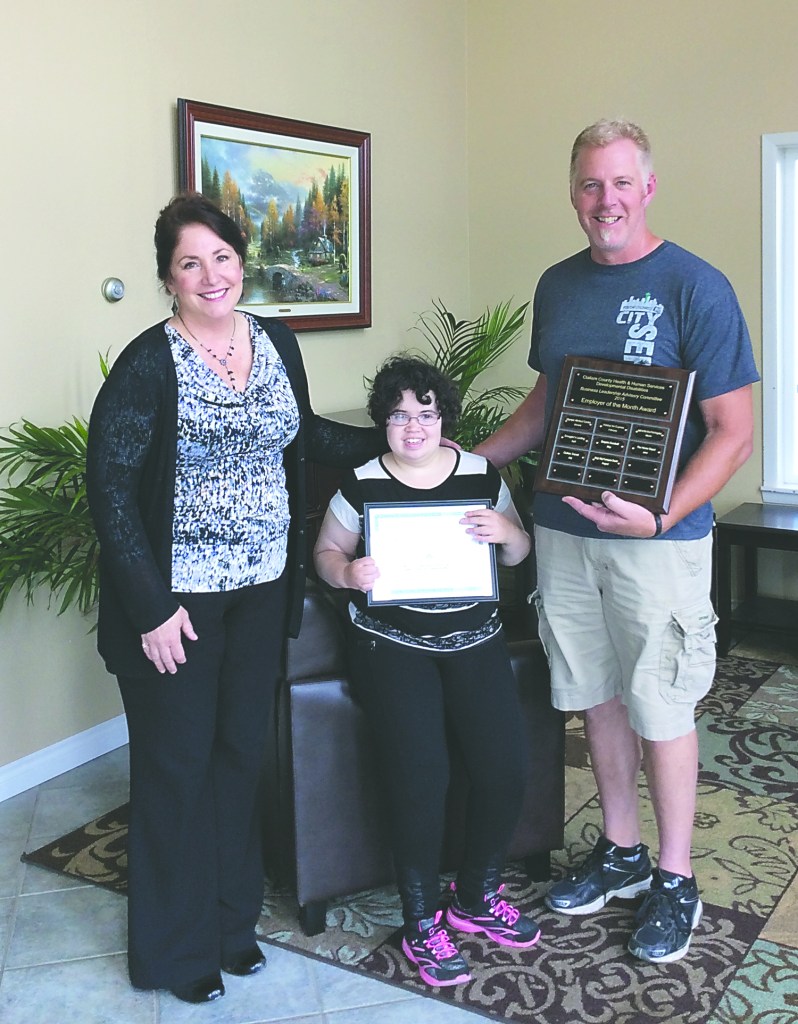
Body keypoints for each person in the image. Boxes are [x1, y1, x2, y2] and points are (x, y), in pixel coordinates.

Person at [86, 193, 384, 1004]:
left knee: (238, 758)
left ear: (242, 262)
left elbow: (304, 435)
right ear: (168, 278)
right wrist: (151, 608)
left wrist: (393, 439)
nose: (210, 275)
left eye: (221, 257)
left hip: (261, 591)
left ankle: (230, 925)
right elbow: (110, 492)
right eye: (190, 263)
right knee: (176, 770)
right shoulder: (149, 364)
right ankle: (174, 951)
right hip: (177, 605)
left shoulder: (274, 340)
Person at [475, 119, 758, 964]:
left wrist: (662, 515)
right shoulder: (558, 285)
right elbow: (546, 402)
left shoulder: (695, 286)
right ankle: (623, 851)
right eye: (591, 184)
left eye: (621, 183)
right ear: (573, 192)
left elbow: (733, 432)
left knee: (661, 707)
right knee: (595, 697)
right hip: (563, 534)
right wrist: (467, 462)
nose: (606, 200)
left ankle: (675, 876)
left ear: (649, 188)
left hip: (656, 544)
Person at [313, 355, 541, 988]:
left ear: (444, 419)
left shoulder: (480, 474)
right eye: (398, 416)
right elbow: (326, 551)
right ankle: (420, 922)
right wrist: (346, 572)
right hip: (392, 646)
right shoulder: (361, 483)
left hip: (475, 641)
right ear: (382, 423)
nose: (412, 427)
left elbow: (519, 551)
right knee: (422, 777)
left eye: (425, 413)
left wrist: (506, 532)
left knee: (503, 767)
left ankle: (476, 896)